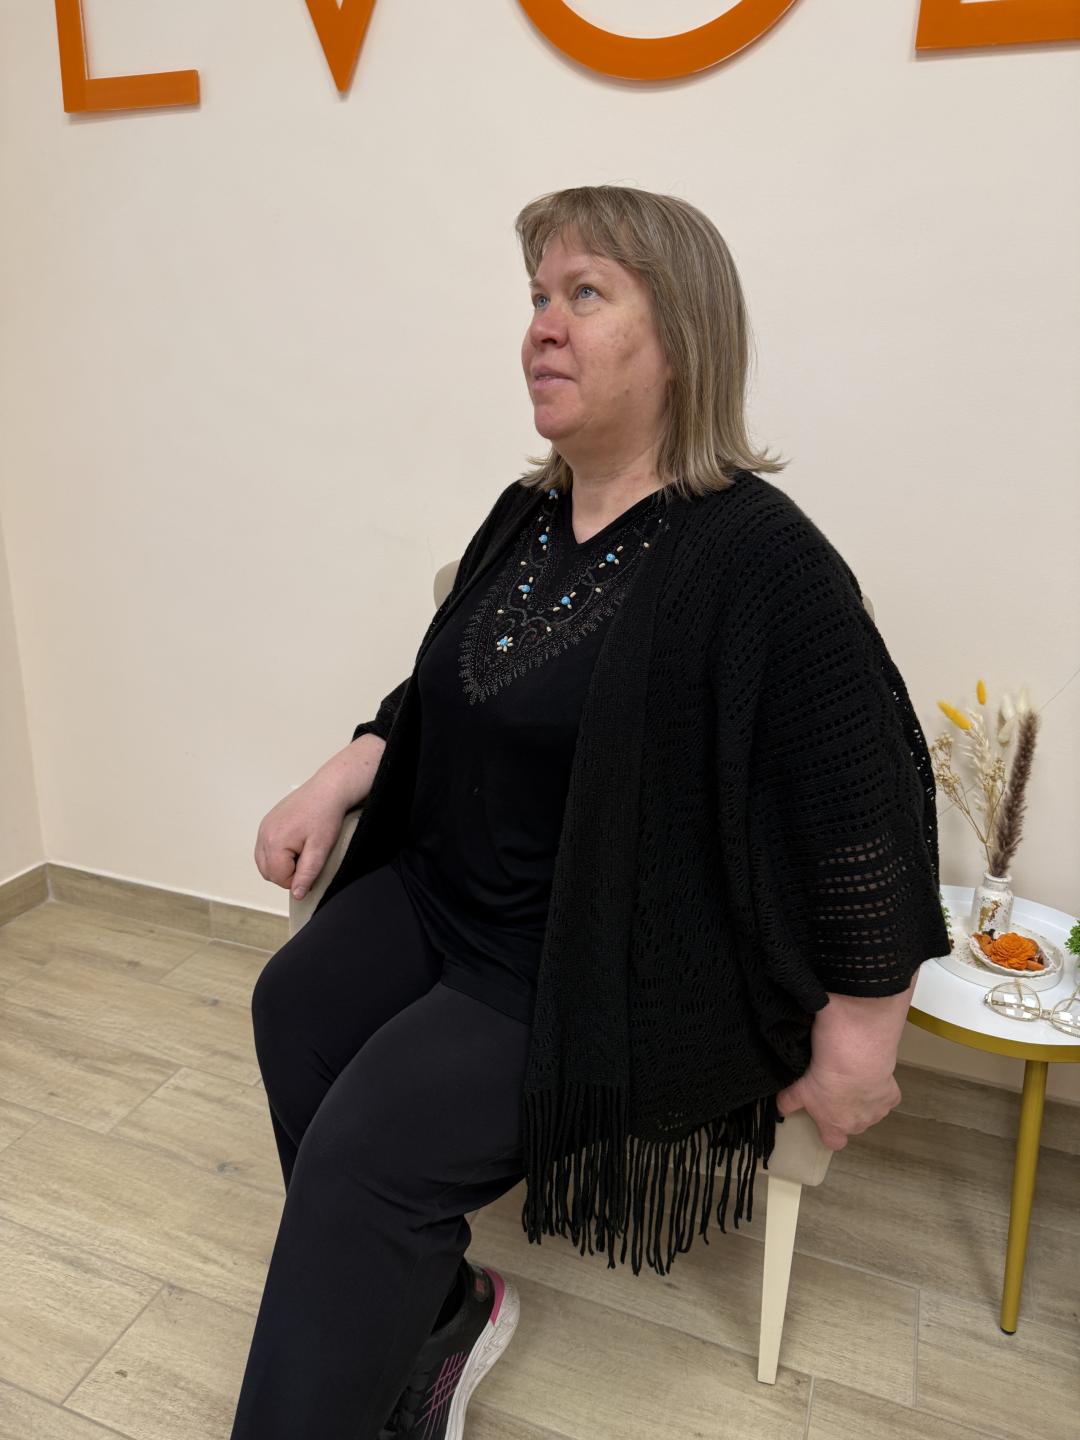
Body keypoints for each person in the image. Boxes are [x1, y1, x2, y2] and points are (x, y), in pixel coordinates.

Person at [230, 185, 949, 1439]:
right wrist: (346, 768)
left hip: (579, 959)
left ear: (680, 338)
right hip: (447, 894)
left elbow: (864, 802)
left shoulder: (757, 558)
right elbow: (446, 687)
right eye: (536, 297)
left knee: (361, 1162)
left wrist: (864, 1039)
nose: (543, 326)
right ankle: (439, 1311)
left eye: (585, 294)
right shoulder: (527, 513)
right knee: (290, 1009)